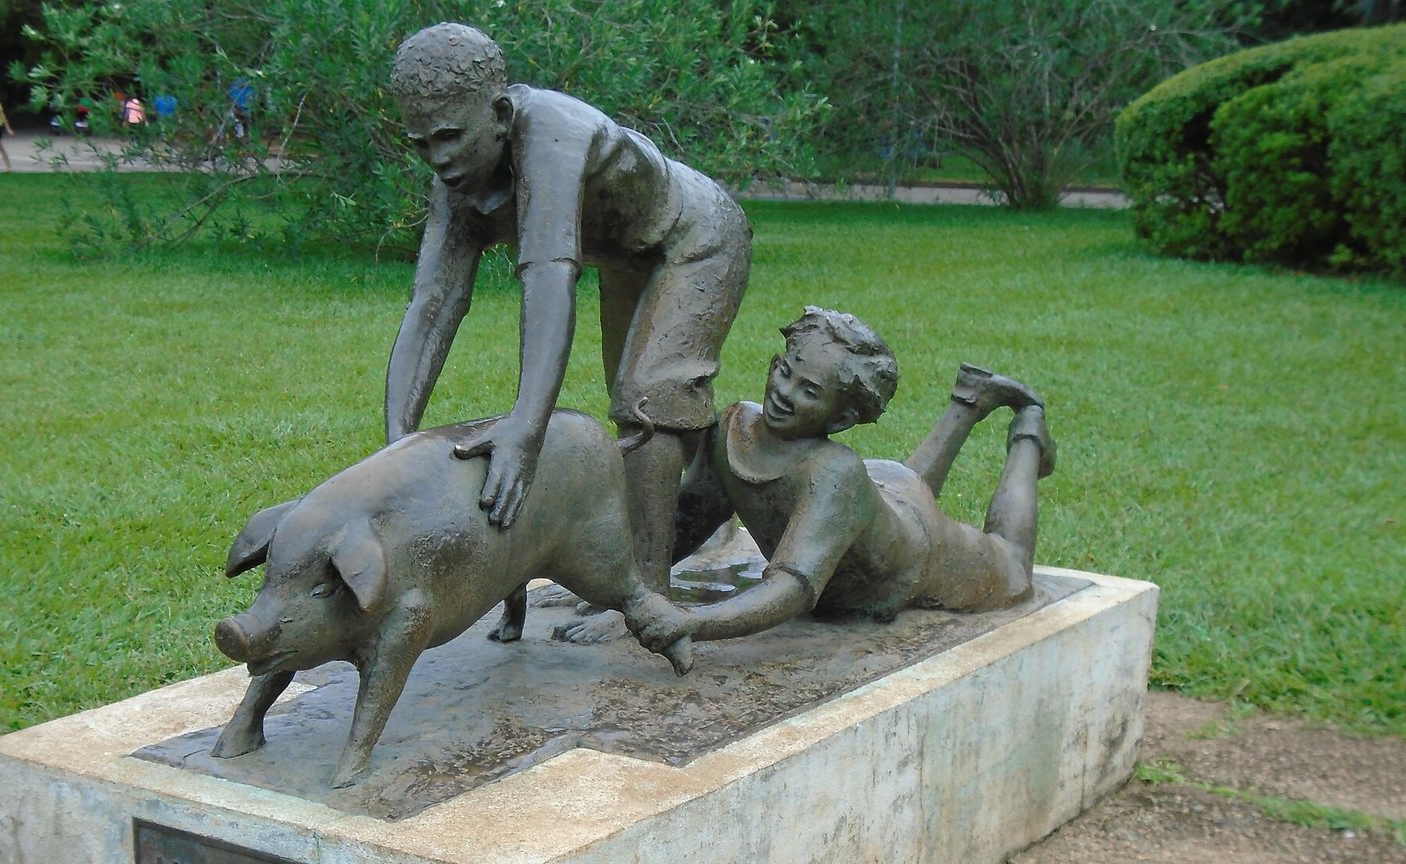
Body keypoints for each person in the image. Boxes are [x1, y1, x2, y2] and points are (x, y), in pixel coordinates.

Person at [384, 24, 752, 607]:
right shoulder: (452, 184)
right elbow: (432, 304)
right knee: (655, 406)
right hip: (629, 255)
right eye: (421, 144)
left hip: (698, 237)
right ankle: (711, 499)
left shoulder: (552, 135)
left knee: (648, 400)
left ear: (501, 115)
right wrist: (396, 448)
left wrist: (525, 434)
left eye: (451, 137)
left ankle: (647, 595)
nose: (439, 159)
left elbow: (550, 279)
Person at [628, 306, 1057, 649]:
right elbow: (687, 520)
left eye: (810, 392)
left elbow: (789, 590)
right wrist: (624, 589)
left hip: (918, 554)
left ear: (844, 418)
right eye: (785, 370)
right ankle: (970, 399)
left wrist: (690, 621)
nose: (784, 392)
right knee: (910, 487)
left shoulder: (835, 473)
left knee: (1013, 568)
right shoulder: (734, 430)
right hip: (882, 496)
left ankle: (1029, 433)